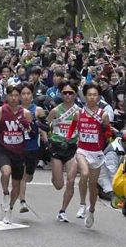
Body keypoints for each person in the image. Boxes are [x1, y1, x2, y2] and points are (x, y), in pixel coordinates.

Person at [66, 83, 112, 228]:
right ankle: (81, 204)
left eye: (95, 95)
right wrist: (69, 136)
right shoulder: (79, 113)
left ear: (98, 97)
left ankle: (91, 210)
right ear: (85, 96)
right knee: (84, 174)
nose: (92, 97)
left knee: (93, 186)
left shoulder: (103, 114)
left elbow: (108, 133)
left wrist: (107, 131)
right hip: (82, 150)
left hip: (96, 153)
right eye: (89, 95)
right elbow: (73, 126)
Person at [0, 84, 33, 224]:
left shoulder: (26, 113)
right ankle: (5, 191)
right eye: (11, 95)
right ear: (6, 96)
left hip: (19, 151)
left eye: (17, 95)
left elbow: (30, 133)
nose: (14, 98)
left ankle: (9, 209)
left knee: (16, 184)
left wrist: (28, 127)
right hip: (3, 148)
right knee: (6, 172)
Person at [47, 80, 80, 222]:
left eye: (70, 93)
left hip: (71, 148)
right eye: (65, 93)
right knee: (58, 184)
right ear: (61, 94)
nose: (67, 95)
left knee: (71, 181)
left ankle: (63, 211)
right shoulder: (55, 111)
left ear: (75, 94)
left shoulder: (79, 112)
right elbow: (47, 126)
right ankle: (55, 176)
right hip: (57, 147)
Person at [17, 83, 47, 214]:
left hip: (33, 148)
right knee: (21, 176)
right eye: (23, 94)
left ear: (32, 95)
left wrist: (45, 138)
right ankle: (22, 201)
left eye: (28, 93)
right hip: (18, 147)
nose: (26, 96)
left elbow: (46, 127)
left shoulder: (38, 110)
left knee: (28, 176)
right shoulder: (14, 109)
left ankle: (21, 195)